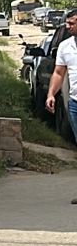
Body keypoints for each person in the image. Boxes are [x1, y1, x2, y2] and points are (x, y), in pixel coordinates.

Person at [43, 9, 77, 153]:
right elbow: (58, 73)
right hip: (74, 103)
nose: (67, 27)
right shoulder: (65, 46)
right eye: (67, 23)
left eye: (71, 23)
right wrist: (51, 94)